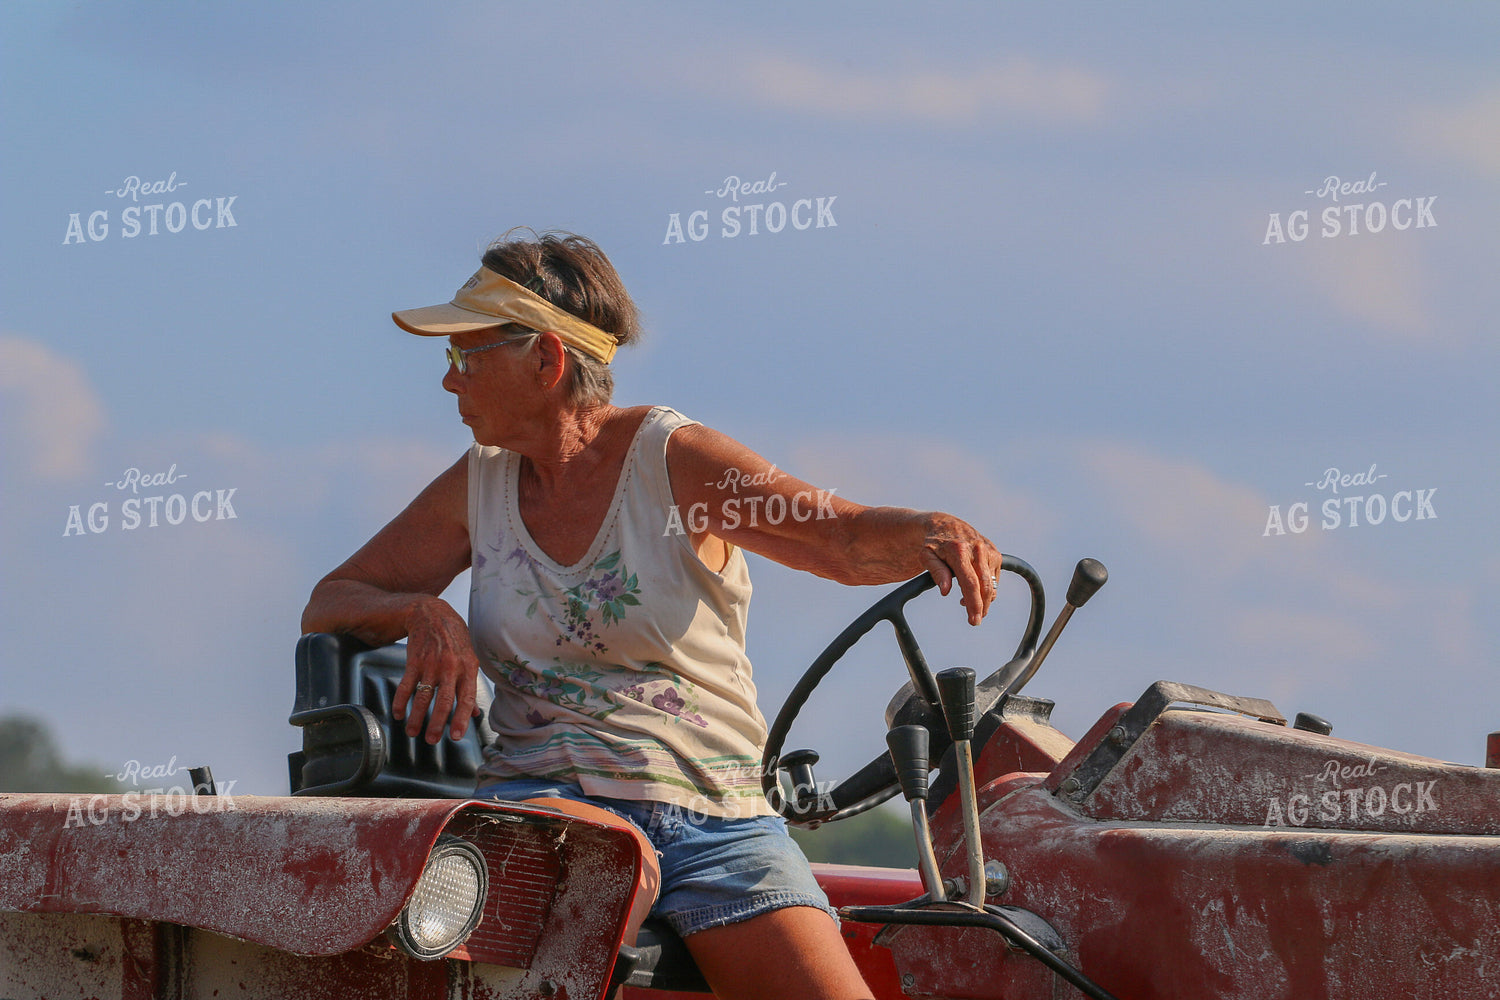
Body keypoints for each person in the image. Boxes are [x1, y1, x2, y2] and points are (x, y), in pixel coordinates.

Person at [301, 230, 1004, 1000]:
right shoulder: (479, 486)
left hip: (715, 822)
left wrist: (931, 528)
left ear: (546, 359)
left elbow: (836, 537)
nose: (448, 382)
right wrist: (424, 610)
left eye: (466, 356)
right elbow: (333, 600)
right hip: (547, 813)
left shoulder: (672, 459)